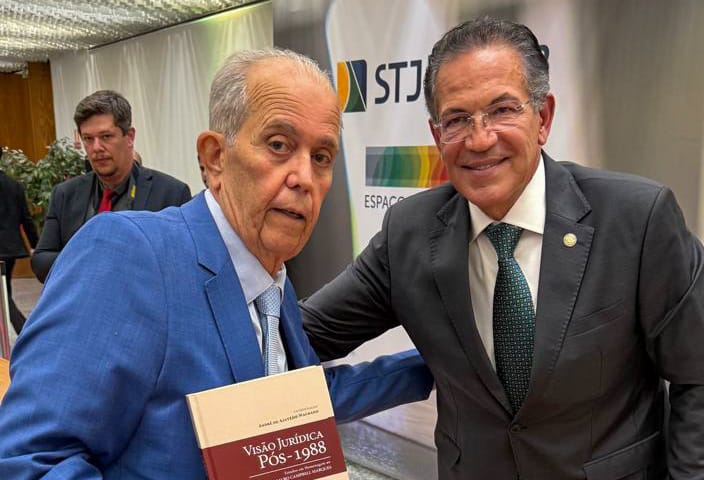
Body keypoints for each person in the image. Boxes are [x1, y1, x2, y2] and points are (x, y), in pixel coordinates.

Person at [301, 16, 704, 479]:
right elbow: (301, 335)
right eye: (457, 119)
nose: (480, 139)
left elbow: (703, 380)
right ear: (438, 137)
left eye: (502, 110)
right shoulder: (409, 233)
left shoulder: (637, 219)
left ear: (543, 118)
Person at [0, 49, 433, 479]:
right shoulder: (131, 254)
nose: (304, 177)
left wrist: (435, 364)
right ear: (214, 157)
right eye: (278, 145)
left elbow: (292, 401)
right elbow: (29, 461)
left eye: (321, 157)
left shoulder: (272, 284)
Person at [31, 90, 192, 283]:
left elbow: (184, 266)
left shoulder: (171, 193)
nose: (96, 148)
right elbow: (41, 261)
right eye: (88, 139)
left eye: (106, 136)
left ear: (130, 136)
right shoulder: (65, 194)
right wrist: (91, 259)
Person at [0, 149, 39, 333]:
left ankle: (25, 331)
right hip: (11, 248)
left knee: (3, 297)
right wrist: (36, 246)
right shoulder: (14, 185)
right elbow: (26, 219)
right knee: (4, 292)